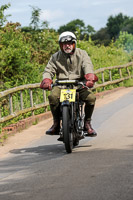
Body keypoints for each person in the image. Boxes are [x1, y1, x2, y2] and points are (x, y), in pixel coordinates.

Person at [40, 31, 98, 140]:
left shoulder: (82, 54)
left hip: (79, 84)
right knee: (52, 97)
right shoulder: (55, 57)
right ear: (60, 45)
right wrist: (46, 80)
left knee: (91, 98)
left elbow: (87, 65)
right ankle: (56, 123)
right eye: (64, 43)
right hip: (62, 85)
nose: (67, 45)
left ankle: (87, 123)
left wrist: (89, 77)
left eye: (70, 43)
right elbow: (48, 70)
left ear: (74, 43)